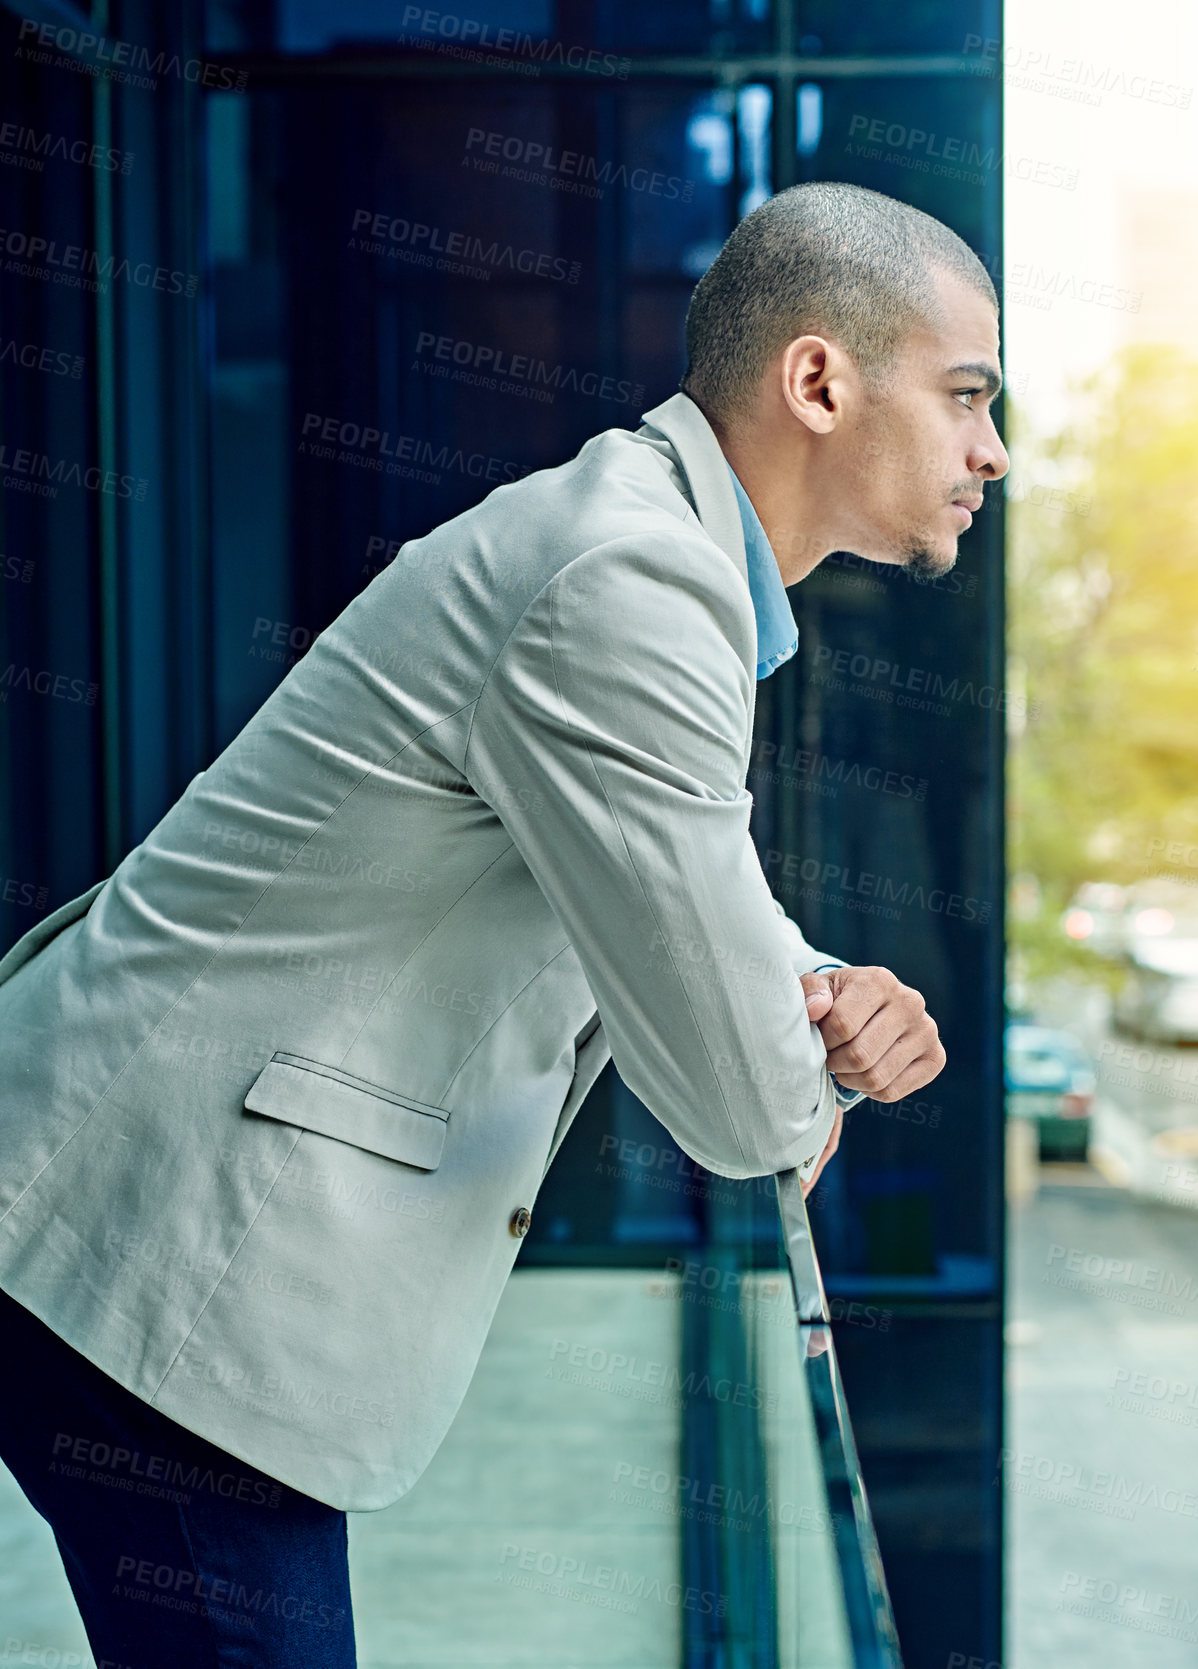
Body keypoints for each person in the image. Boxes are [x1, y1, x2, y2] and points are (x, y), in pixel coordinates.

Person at [0, 179, 1005, 1666]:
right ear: (817, 379)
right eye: (967, 395)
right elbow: (736, 1103)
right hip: (152, 1251)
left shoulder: (647, 552)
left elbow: (661, 871)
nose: (991, 450)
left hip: (128, 1214)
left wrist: (818, 980)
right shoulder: (632, 580)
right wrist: (797, 1072)